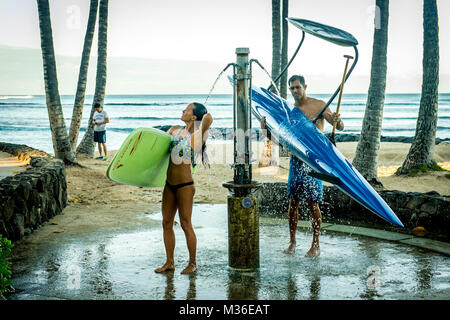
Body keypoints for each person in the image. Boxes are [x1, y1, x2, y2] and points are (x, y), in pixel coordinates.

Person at [261, 74, 344, 257]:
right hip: (297, 160)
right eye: (291, 88)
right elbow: (279, 140)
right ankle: (292, 241)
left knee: (313, 203)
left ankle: (315, 244)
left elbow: (340, 127)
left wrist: (336, 119)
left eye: (297, 87)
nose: (294, 91)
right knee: (293, 202)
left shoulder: (318, 104)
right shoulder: (289, 110)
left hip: (315, 161)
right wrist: (265, 130)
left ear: (305, 86)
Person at [155, 102, 212, 274]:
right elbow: (155, 141)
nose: (182, 110)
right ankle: (169, 262)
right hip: (169, 184)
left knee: (186, 224)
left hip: (185, 186)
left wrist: (201, 120)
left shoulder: (199, 134)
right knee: (166, 223)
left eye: (187, 109)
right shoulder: (174, 130)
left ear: (193, 116)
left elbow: (208, 119)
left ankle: (192, 263)